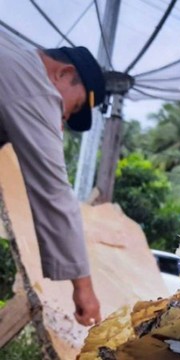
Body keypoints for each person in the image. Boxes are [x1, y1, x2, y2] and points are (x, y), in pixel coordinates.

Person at [0, 31, 106, 325]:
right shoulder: (35, 85)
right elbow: (54, 193)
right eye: (69, 109)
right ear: (63, 73)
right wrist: (83, 288)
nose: (60, 122)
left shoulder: (10, 53)